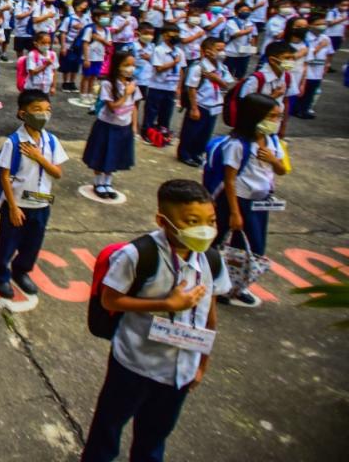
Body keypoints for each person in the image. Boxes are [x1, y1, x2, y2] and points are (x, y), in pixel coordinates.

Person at [80, 180, 229, 462]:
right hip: (134, 363)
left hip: (179, 370)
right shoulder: (139, 255)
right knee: (107, 429)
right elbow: (110, 300)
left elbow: (209, 312)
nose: (205, 229)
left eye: (211, 220)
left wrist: (202, 363)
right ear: (163, 220)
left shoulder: (211, 260)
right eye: (192, 221)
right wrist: (165, 304)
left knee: (154, 437)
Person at [212, 93, 287, 308]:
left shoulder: (272, 141)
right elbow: (229, 180)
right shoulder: (237, 145)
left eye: (278, 116)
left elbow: (282, 170)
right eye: (271, 116)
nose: (276, 121)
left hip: (259, 201)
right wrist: (235, 213)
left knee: (253, 248)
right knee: (226, 245)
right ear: (255, 116)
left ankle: (237, 286)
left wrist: (273, 160)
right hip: (238, 201)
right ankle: (221, 285)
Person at [0, 89, 67, 300]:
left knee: (32, 243)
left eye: (47, 110)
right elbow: (4, 176)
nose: (43, 114)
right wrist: (13, 207)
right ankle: (1, 276)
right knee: (8, 242)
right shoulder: (13, 142)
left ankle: (21, 271)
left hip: (41, 203)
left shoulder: (51, 141)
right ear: (23, 113)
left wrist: (39, 157)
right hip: (18, 203)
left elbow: (57, 173)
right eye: (37, 110)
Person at [82, 51, 142, 200]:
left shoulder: (132, 84)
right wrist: (126, 94)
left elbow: (134, 106)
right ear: (117, 66)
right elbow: (113, 107)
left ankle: (108, 182)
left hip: (124, 126)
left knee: (114, 155)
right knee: (101, 154)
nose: (130, 68)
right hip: (107, 125)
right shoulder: (108, 84)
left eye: (133, 65)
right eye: (126, 65)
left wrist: (134, 126)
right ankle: (98, 183)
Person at [177, 38, 232, 167]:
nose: (222, 53)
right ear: (207, 52)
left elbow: (227, 85)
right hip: (201, 104)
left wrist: (216, 79)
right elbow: (192, 88)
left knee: (205, 133)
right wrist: (194, 108)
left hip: (214, 105)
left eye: (223, 50)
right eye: (218, 50)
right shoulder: (199, 67)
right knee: (191, 132)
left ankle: (197, 153)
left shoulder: (222, 67)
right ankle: (185, 154)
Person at [141, 23, 185, 143]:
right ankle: (147, 130)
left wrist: (179, 88)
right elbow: (158, 68)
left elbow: (181, 70)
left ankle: (163, 131)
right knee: (152, 110)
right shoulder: (159, 50)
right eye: (172, 35)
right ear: (165, 36)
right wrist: (174, 63)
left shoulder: (179, 51)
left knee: (167, 111)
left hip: (171, 86)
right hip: (157, 85)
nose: (175, 37)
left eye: (177, 35)